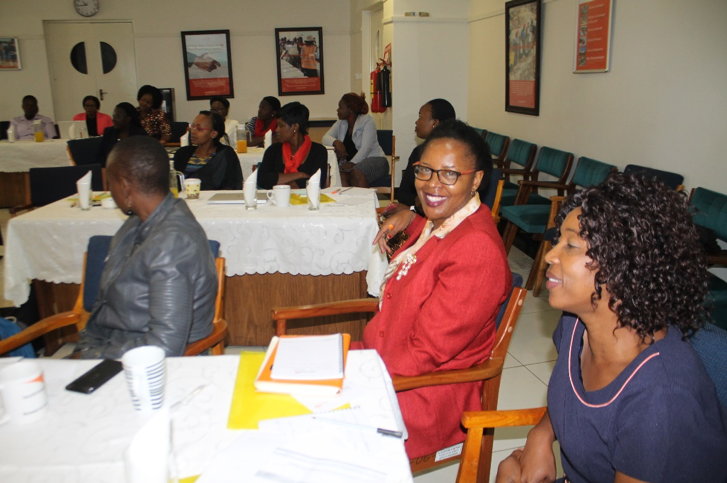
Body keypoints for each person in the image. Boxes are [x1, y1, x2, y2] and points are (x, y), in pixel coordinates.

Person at [497, 173, 727, 483]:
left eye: (571, 245)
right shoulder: (576, 325)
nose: (550, 254)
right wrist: (540, 434)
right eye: (558, 241)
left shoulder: (662, 398)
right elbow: (570, 395)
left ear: (623, 265)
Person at [361, 120, 512, 458]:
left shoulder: (477, 250)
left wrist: (362, 377)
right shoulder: (440, 222)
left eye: (449, 174)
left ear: (476, 180)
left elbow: (426, 352)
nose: (432, 184)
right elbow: (435, 250)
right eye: (425, 170)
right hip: (389, 361)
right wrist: (410, 216)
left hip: (423, 394)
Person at [76, 136, 217, 359]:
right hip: (117, 346)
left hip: (143, 364)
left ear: (124, 186)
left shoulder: (173, 243)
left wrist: (96, 354)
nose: (108, 190)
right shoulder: (135, 224)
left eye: (109, 183)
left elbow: (164, 345)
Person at [385, 99, 458, 217]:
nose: (416, 122)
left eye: (420, 117)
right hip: (419, 213)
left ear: (435, 123)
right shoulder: (418, 152)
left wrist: (414, 208)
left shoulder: (456, 156)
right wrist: (415, 204)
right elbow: (403, 193)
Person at [322, 92, 388, 188]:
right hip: (353, 165)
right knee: (340, 175)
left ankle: (364, 202)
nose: (337, 110)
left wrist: (352, 163)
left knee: (356, 173)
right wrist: (337, 142)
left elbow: (366, 147)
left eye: (340, 107)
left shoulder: (367, 121)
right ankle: (347, 203)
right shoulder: (341, 123)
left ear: (350, 109)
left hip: (376, 161)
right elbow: (325, 138)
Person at [257, 102, 327, 190]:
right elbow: (262, 180)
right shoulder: (273, 150)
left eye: (281, 126)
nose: (276, 130)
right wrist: (300, 175)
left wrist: (279, 183)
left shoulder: (318, 151)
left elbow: (316, 182)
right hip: (276, 201)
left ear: (295, 127)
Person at [173, 111, 242, 191]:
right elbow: (173, 183)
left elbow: (234, 185)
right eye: (192, 126)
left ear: (213, 134)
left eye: (199, 129)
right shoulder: (182, 153)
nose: (193, 131)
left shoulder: (226, 154)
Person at [97, 102, 147, 167]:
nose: (113, 120)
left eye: (117, 116)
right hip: (111, 171)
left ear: (128, 119)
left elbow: (144, 159)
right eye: (113, 116)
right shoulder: (109, 132)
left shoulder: (140, 135)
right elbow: (100, 157)